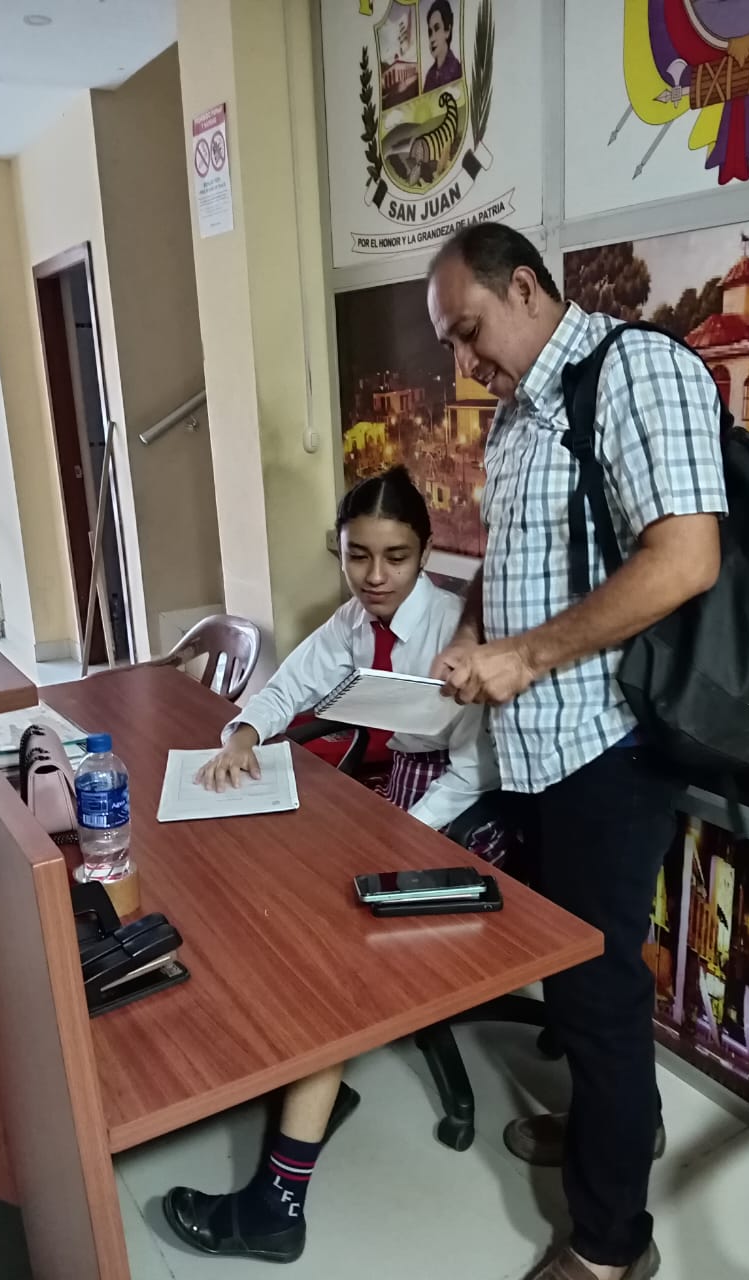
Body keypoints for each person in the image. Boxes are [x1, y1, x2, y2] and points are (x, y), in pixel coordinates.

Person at [426, 223, 727, 1280]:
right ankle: (614, 1125)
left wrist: (525, 654)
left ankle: (608, 1245)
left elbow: (684, 558)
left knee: (599, 997)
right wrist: (475, 630)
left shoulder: (637, 369)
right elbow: (508, 553)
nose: (465, 360)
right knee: (571, 979)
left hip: (609, 742)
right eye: (451, 345)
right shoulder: (521, 413)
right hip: (536, 747)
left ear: (523, 287)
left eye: (469, 330)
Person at [162, 465, 504, 1264]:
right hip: (391, 789)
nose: (376, 576)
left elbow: (477, 766)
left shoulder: (454, 627)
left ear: (425, 553)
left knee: (332, 943)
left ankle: (278, 1203)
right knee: (274, 880)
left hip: (464, 807)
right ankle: (309, 1070)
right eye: (358, 556)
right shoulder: (352, 621)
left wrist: (405, 835)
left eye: (396, 557)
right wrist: (242, 735)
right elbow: (285, 689)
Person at [423, 0, 462, 92]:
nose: (432, 39)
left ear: (447, 31)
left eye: (437, 28)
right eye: (430, 32)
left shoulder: (457, 70)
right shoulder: (430, 75)